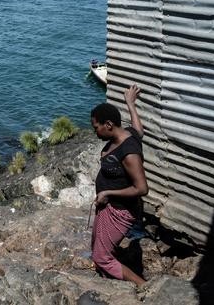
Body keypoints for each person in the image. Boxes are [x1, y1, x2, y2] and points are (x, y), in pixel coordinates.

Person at [90, 84, 148, 286]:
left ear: (108, 124)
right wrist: (131, 104)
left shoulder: (129, 152)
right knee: (96, 244)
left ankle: (144, 287)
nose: (94, 132)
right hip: (108, 205)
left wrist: (107, 192)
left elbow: (141, 188)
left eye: (96, 127)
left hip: (120, 211)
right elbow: (139, 130)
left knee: (101, 257)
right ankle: (106, 271)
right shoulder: (128, 133)